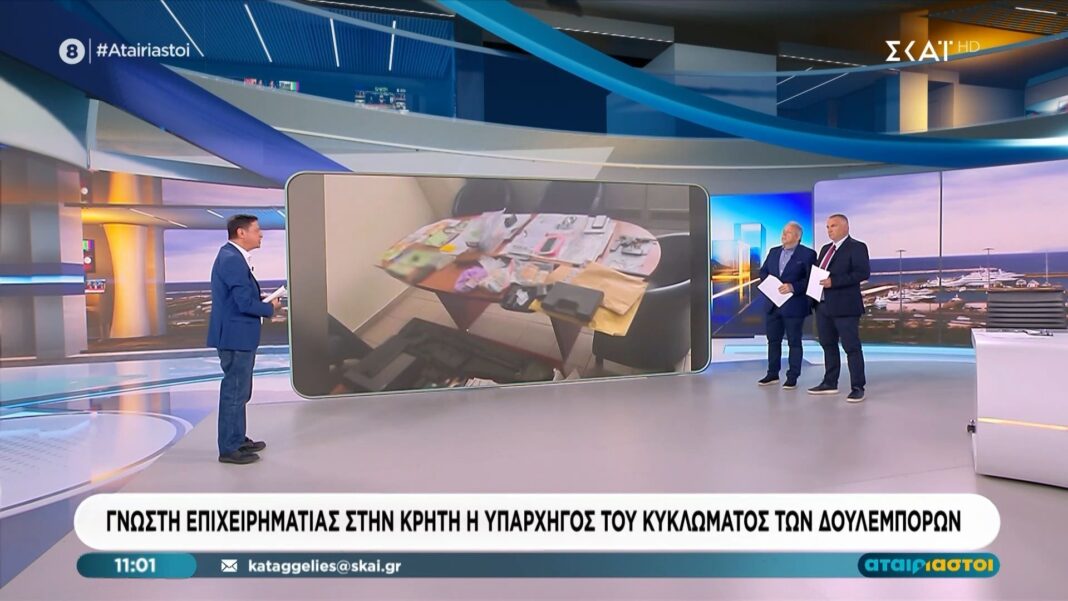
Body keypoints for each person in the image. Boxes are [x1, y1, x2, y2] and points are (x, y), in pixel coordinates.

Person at [207, 215, 281, 464]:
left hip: (238, 335)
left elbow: (238, 299)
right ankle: (229, 448)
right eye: (257, 230)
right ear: (241, 232)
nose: (261, 235)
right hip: (235, 336)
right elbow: (243, 303)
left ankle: (237, 439)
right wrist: (269, 308)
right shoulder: (231, 259)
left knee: (240, 391)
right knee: (235, 391)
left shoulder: (232, 257)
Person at [808, 214, 870, 402]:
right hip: (823, 305)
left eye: (833, 226)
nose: (829, 230)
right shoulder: (825, 249)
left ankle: (857, 387)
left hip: (845, 307)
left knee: (851, 347)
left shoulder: (857, 247)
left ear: (845, 227)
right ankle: (830, 382)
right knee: (827, 345)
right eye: (827, 227)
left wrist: (833, 282)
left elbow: (862, 273)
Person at [757, 222, 816, 389]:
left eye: (788, 233)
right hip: (773, 304)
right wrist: (771, 284)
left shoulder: (808, 254)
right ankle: (772, 374)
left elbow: (811, 280)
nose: (783, 235)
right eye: (783, 232)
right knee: (773, 341)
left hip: (794, 305)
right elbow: (763, 272)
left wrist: (793, 287)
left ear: (797, 236)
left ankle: (792, 376)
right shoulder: (773, 252)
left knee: (794, 342)